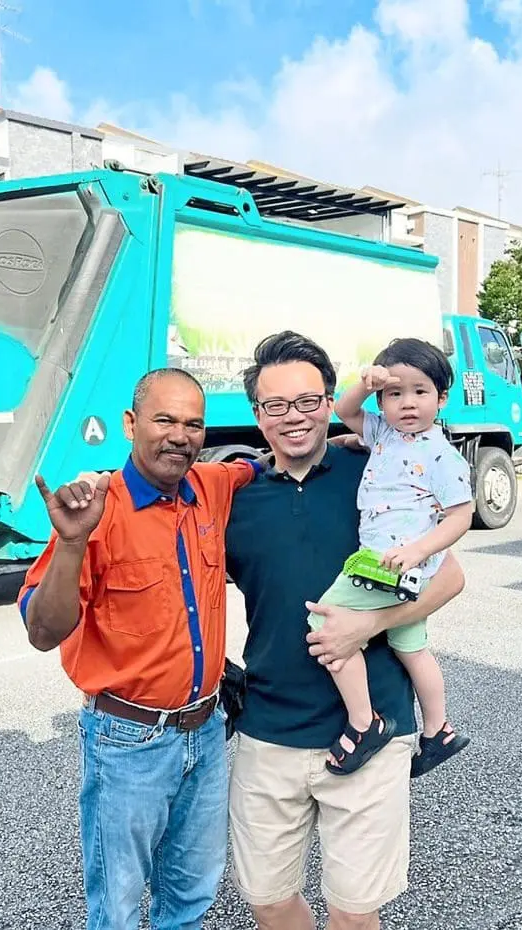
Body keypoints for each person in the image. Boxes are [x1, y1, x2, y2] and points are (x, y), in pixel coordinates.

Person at [224, 331, 467, 930]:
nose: (294, 417)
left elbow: (451, 576)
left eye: (308, 401)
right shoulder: (237, 496)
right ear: (257, 414)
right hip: (269, 730)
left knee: (355, 915)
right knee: (267, 898)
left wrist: (370, 625)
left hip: (374, 733)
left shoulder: (377, 465)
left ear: (331, 401)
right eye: (275, 405)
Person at [18, 367, 261, 930]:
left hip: (206, 730)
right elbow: (42, 632)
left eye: (194, 424)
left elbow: (260, 464)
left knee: (192, 897)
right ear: (131, 423)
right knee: (119, 908)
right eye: (165, 419)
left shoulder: (210, 485)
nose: (180, 435)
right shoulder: (96, 509)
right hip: (129, 743)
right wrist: (73, 545)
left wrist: (343, 441)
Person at [307, 337, 474, 778]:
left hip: (387, 565)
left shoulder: (442, 455)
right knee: (411, 646)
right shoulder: (382, 432)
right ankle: (438, 730)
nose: (407, 403)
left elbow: (461, 516)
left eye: (420, 392)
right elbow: (344, 411)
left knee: (325, 625)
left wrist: (419, 550)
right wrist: (364, 385)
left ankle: (366, 722)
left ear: (441, 397)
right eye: (394, 394)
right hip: (401, 568)